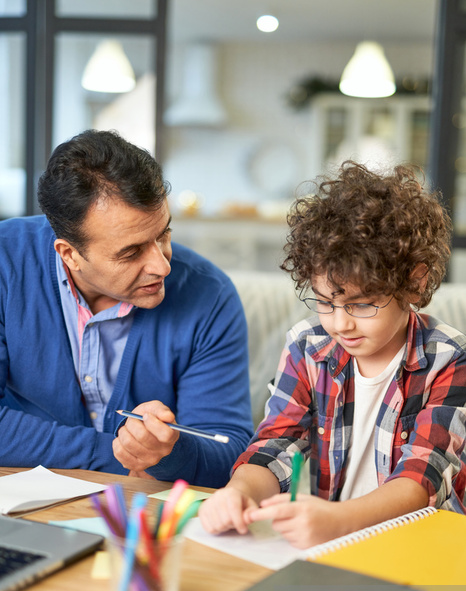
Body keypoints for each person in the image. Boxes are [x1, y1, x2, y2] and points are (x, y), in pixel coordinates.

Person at [199, 161, 466, 549]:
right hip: (333, 542)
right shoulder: (308, 347)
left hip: (423, 545)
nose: (340, 324)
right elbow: (276, 443)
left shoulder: (449, 359)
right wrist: (239, 491)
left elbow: (421, 477)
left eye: (361, 305)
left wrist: (338, 520)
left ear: (414, 282)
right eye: (325, 302)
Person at [0, 129, 253, 487]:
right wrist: (115, 453)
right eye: (131, 252)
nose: (162, 266)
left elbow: (229, 449)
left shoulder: (209, 295)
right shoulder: (5, 263)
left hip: (144, 512)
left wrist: (168, 454)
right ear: (69, 254)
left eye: (163, 234)